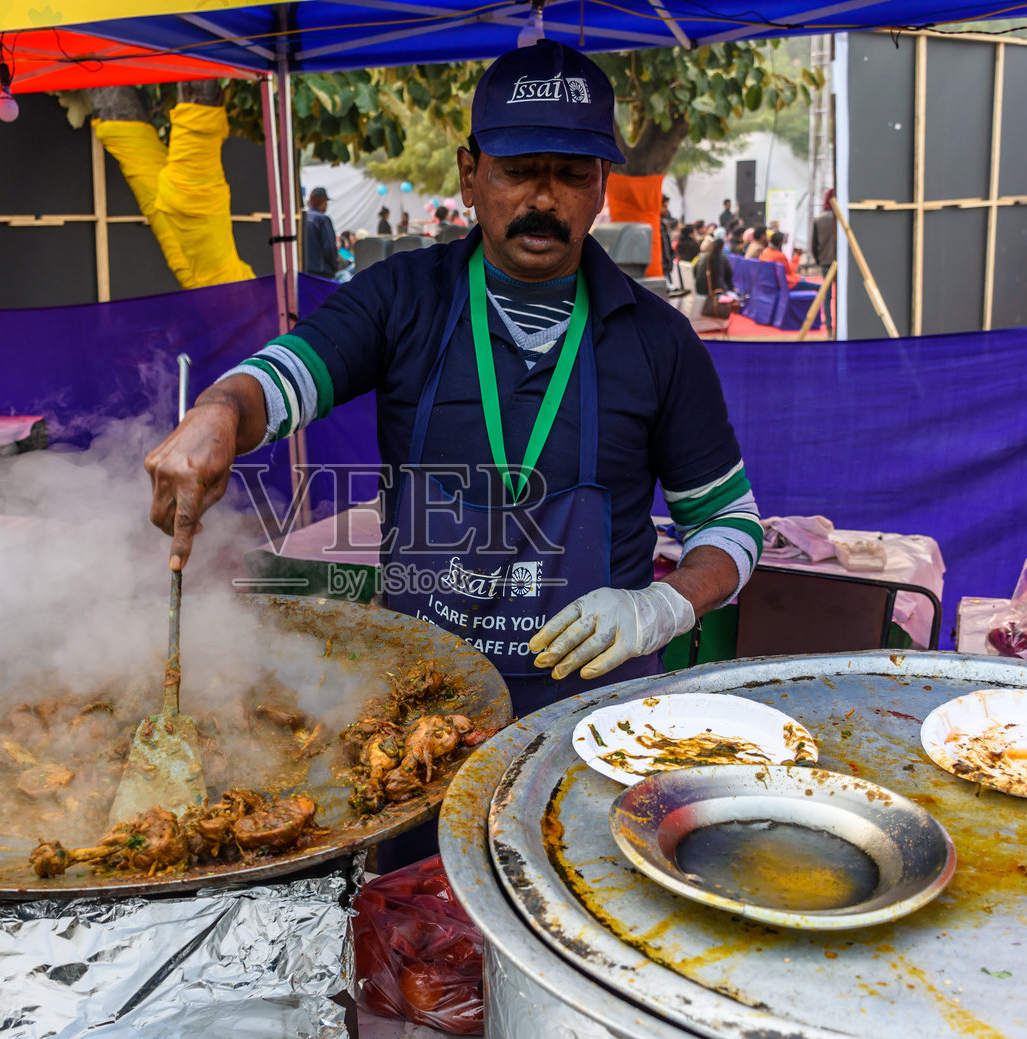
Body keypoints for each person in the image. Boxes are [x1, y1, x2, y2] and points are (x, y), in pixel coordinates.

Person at [143, 39, 760, 720]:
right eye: (518, 171)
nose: (544, 198)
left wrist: (663, 605)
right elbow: (289, 377)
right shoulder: (403, 298)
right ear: (471, 175)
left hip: (594, 719)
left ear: (602, 185)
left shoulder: (658, 338)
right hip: (421, 710)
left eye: (572, 174)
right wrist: (222, 409)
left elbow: (729, 522)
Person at [693, 236, 735, 319]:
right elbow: (729, 276)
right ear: (722, 247)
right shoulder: (723, 258)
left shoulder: (701, 256)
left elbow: (694, 272)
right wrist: (731, 289)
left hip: (699, 289)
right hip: (717, 292)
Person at [302, 187, 339, 278]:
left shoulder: (302, 218)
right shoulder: (323, 219)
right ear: (323, 202)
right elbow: (330, 248)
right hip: (321, 273)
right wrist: (335, 266)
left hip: (303, 272)